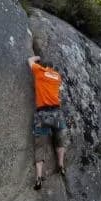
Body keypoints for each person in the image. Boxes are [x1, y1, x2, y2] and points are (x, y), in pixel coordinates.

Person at [28, 54, 68, 190]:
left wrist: (37, 57)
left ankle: (38, 177)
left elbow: (30, 61)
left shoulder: (39, 72)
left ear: (43, 66)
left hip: (42, 114)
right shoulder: (57, 77)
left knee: (40, 145)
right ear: (52, 68)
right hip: (57, 113)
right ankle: (61, 165)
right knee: (60, 139)